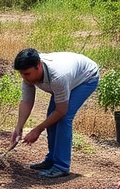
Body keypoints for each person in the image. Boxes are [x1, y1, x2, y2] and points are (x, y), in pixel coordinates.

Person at [10, 48, 100, 178]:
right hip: (70, 76)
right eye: (22, 74)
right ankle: (51, 160)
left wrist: (37, 129)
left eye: (27, 74)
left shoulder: (59, 76)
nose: (24, 77)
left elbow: (61, 111)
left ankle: (61, 166)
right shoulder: (28, 76)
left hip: (86, 77)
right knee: (52, 117)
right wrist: (19, 127)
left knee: (63, 118)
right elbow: (27, 102)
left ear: (38, 66)